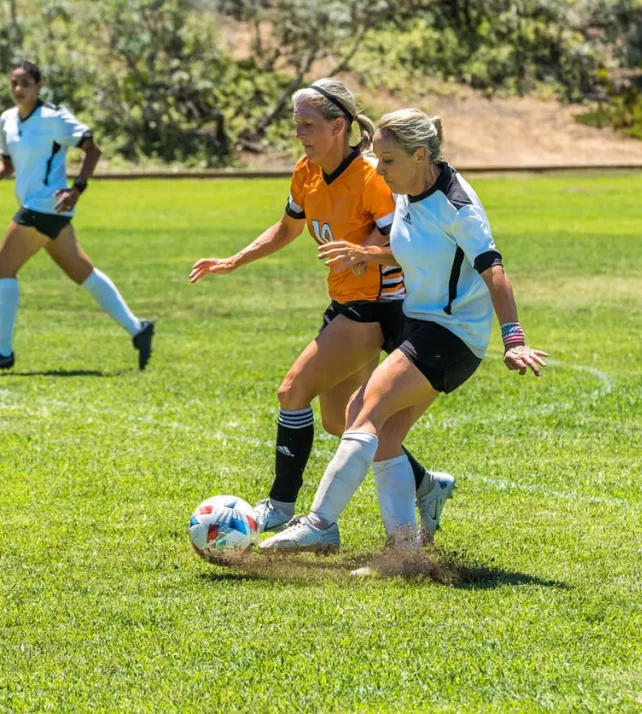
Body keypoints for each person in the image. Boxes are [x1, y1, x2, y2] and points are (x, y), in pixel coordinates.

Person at [261, 108, 549, 559]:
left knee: (361, 409)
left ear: (419, 155)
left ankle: (318, 524)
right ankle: (404, 552)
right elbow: (412, 248)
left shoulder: (458, 207)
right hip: (424, 324)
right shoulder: (407, 186)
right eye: (377, 158)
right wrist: (368, 255)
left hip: (452, 335)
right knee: (385, 440)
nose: (379, 169)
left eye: (388, 160)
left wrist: (514, 340)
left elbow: (494, 272)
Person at [189, 80, 454, 547]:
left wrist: (362, 250)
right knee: (343, 423)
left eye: (308, 125)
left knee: (292, 390)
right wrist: (234, 259)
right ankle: (428, 486)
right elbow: (288, 226)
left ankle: (282, 508)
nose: (300, 134)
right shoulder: (306, 171)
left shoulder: (372, 175)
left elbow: (400, 240)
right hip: (348, 304)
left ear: (339, 126)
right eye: (297, 125)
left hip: (377, 310)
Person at [0, 60, 154, 370]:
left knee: (3, 265)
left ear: (39, 86)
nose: (18, 89)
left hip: (45, 206)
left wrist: (77, 188)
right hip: (46, 210)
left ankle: (3, 351)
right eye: (13, 83)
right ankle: (138, 329)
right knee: (82, 271)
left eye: (25, 83)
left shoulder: (54, 117)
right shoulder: (7, 119)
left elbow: (93, 150)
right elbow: (8, 164)